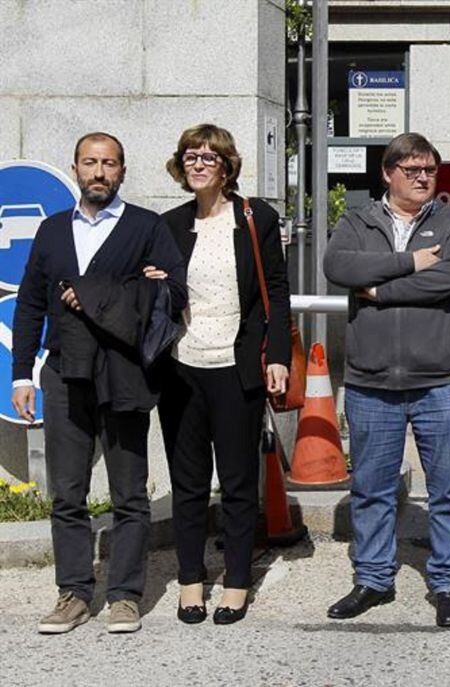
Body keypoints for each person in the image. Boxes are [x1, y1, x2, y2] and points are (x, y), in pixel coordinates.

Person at [11, 132, 187, 634]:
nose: (99, 172)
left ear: (123, 172)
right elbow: (28, 305)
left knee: (130, 493)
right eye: (90, 163)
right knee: (66, 493)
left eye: (109, 164)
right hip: (64, 372)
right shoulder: (50, 231)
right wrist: (22, 374)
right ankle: (72, 594)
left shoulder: (147, 227)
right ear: (75, 168)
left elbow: (174, 292)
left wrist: (91, 293)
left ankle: (125, 596)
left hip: (124, 374)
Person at [323, 132, 450, 628]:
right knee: (371, 488)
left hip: (444, 380)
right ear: (387, 174)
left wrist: (379, 290)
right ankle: (372, 579)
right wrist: (409, 261)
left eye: (429, 170)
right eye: (411, 170)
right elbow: (337, 266)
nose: (421, 178)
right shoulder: (356, 220)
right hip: (372, 382)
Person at [158, 124, 291, 625]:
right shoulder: (167, 225)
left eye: (208, 157)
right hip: (180, 367)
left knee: (237, 483)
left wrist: (276, 354)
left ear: (227, 165)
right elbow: (157, 291)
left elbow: (276, 292)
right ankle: (191, 580)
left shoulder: (255, 219)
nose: (198, 164)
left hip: (236, 369)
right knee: (187, 482)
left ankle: (236, 581)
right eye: (190, 156)